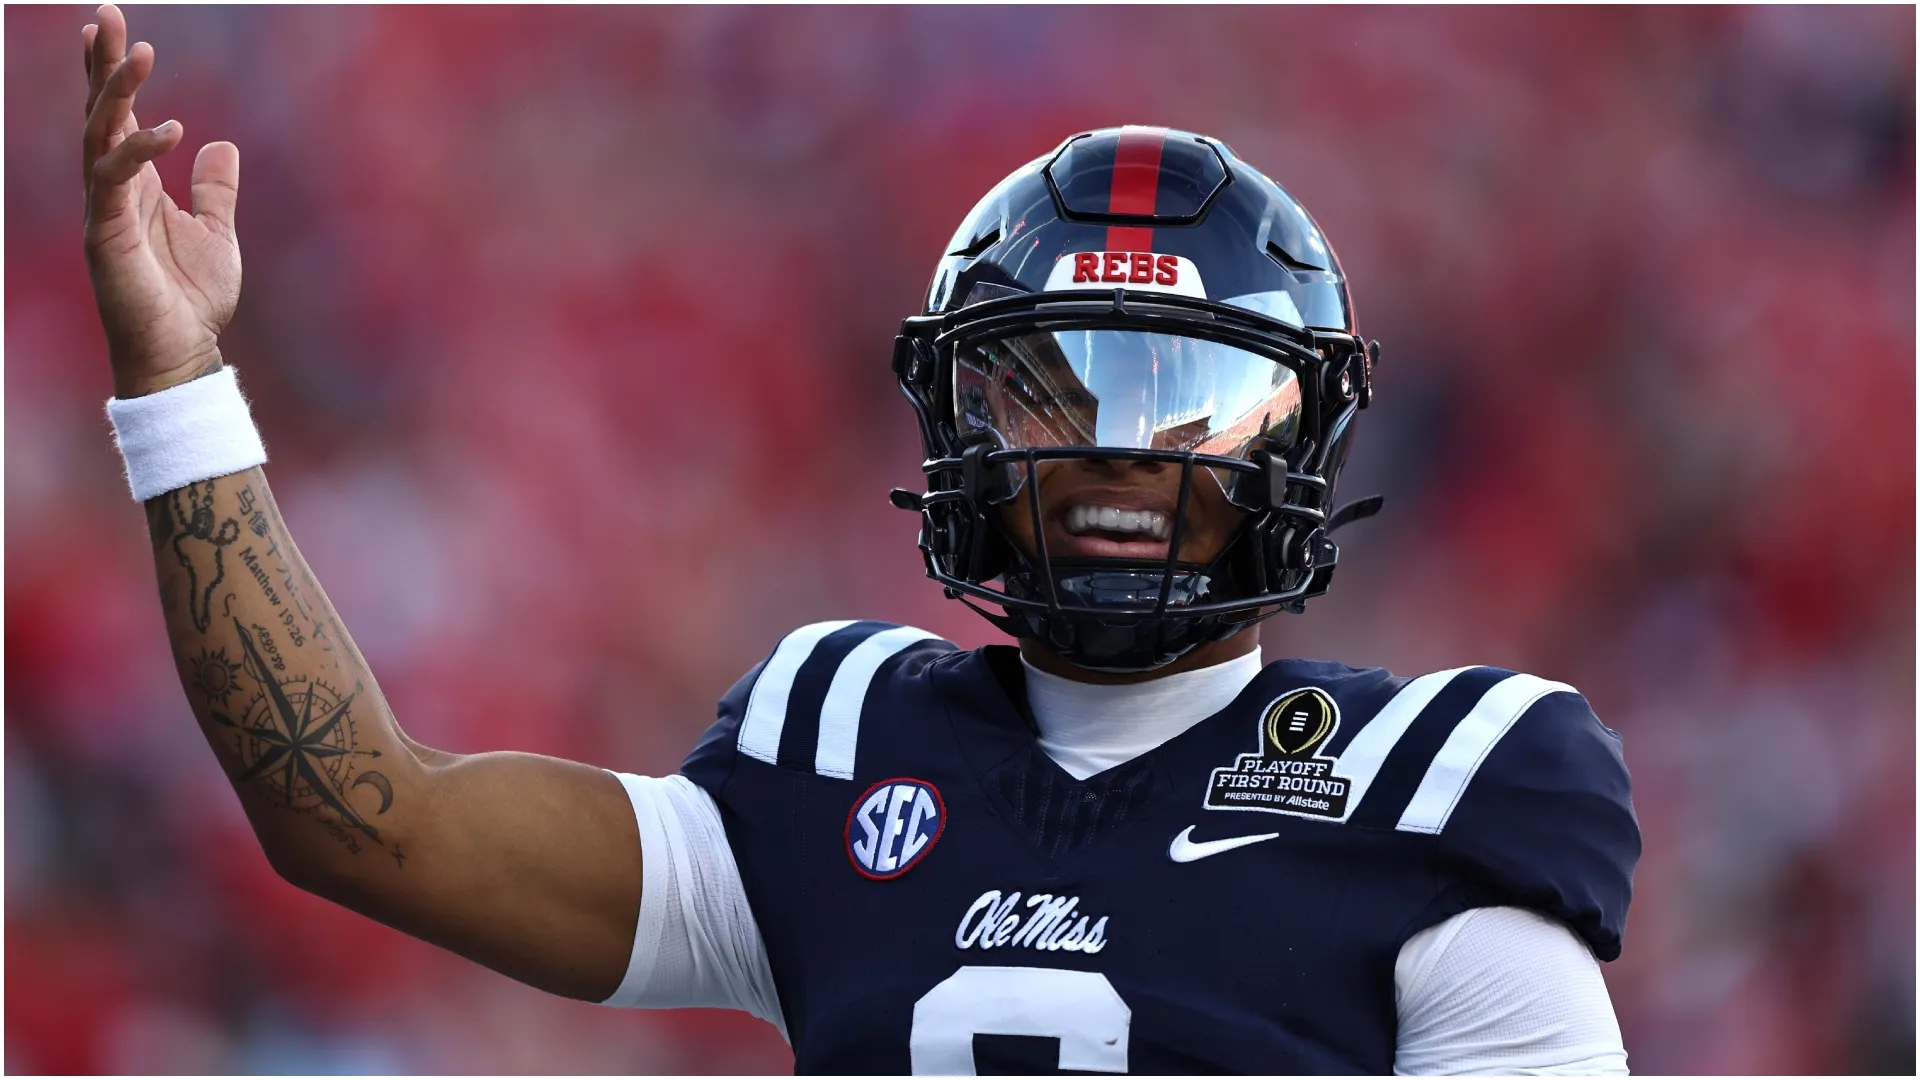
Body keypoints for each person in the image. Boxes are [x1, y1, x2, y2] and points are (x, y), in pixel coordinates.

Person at [81, 5, 1639, 1073]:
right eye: (1052, 391)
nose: (1113, 451)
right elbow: (357, 816)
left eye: (1188, 404)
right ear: (957, 424)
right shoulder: (834, 758)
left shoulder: (1437, 797)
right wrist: (178, 385)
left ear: (1305, 444)